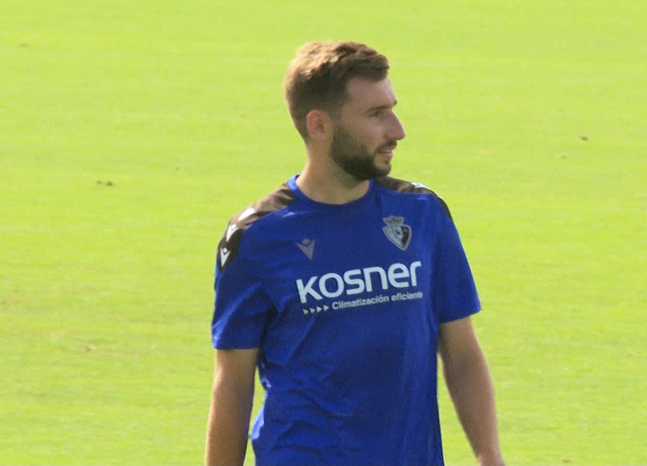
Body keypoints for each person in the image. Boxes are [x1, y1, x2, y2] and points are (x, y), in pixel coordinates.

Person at [204, 41, 504, 466]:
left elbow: (460, 350)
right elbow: (232, 384)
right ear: (320, 125)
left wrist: (490, 455)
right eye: (376, 115)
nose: (397, 130)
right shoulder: (256, 238)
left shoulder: (422, 215)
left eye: (392, 110)